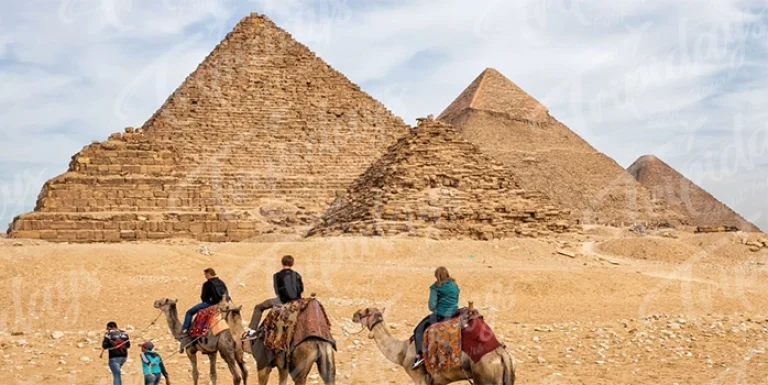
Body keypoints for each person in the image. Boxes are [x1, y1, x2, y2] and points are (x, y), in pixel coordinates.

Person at [243, 255, 304, 340]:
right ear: (292, 264)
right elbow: (301, 289)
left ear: (282, 263)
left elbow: (276, 290)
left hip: (282, 301)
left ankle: (252, 332)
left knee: (258, 307)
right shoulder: (297, 275)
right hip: (297, 301)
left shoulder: (277, 275)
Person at [411, 266, 460, 370]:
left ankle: (419, 356)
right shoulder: (455, 285)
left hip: (440, 315)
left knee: (418, 331)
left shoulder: (436, 287)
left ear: (437, 277)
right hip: (454, 315)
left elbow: (431, 306)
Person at [179, 268, 229, 352]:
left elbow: (204, 297)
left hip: (210, 303)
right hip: (222, 303)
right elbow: (226, 293)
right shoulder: (221, 282)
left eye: (205, 274)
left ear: (209, 274)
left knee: (189, 312)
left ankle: (184, 330)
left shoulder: (207, 284)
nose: (205, 276)